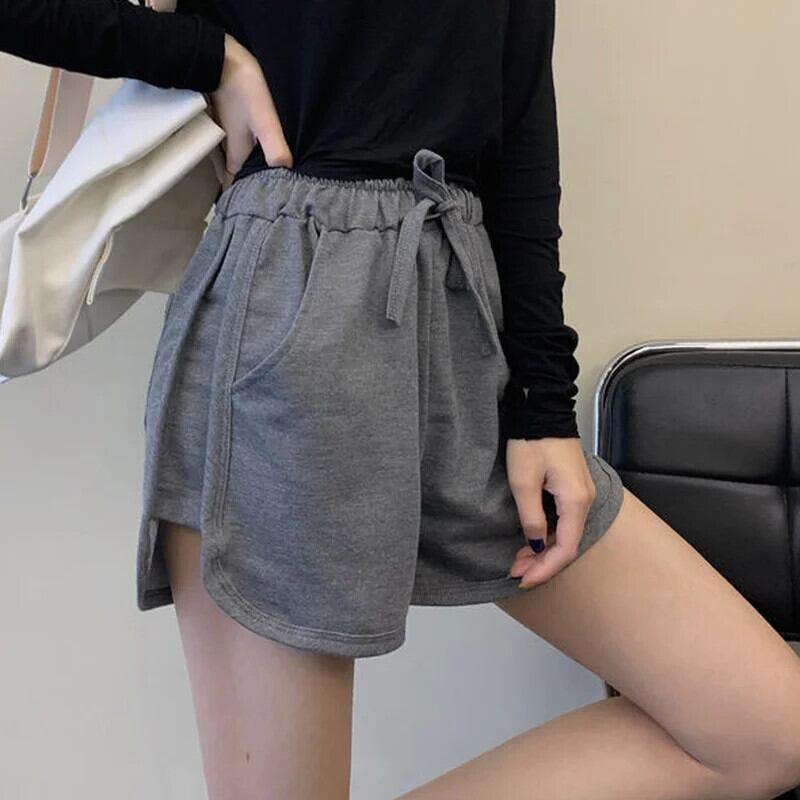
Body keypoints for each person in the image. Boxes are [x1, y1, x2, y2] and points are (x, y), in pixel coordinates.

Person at [3, 2, 800, 798]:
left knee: (764, 729)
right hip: (286, 307)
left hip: (461, 327)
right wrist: (208, 57)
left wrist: (543, 406)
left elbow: (522, 124)